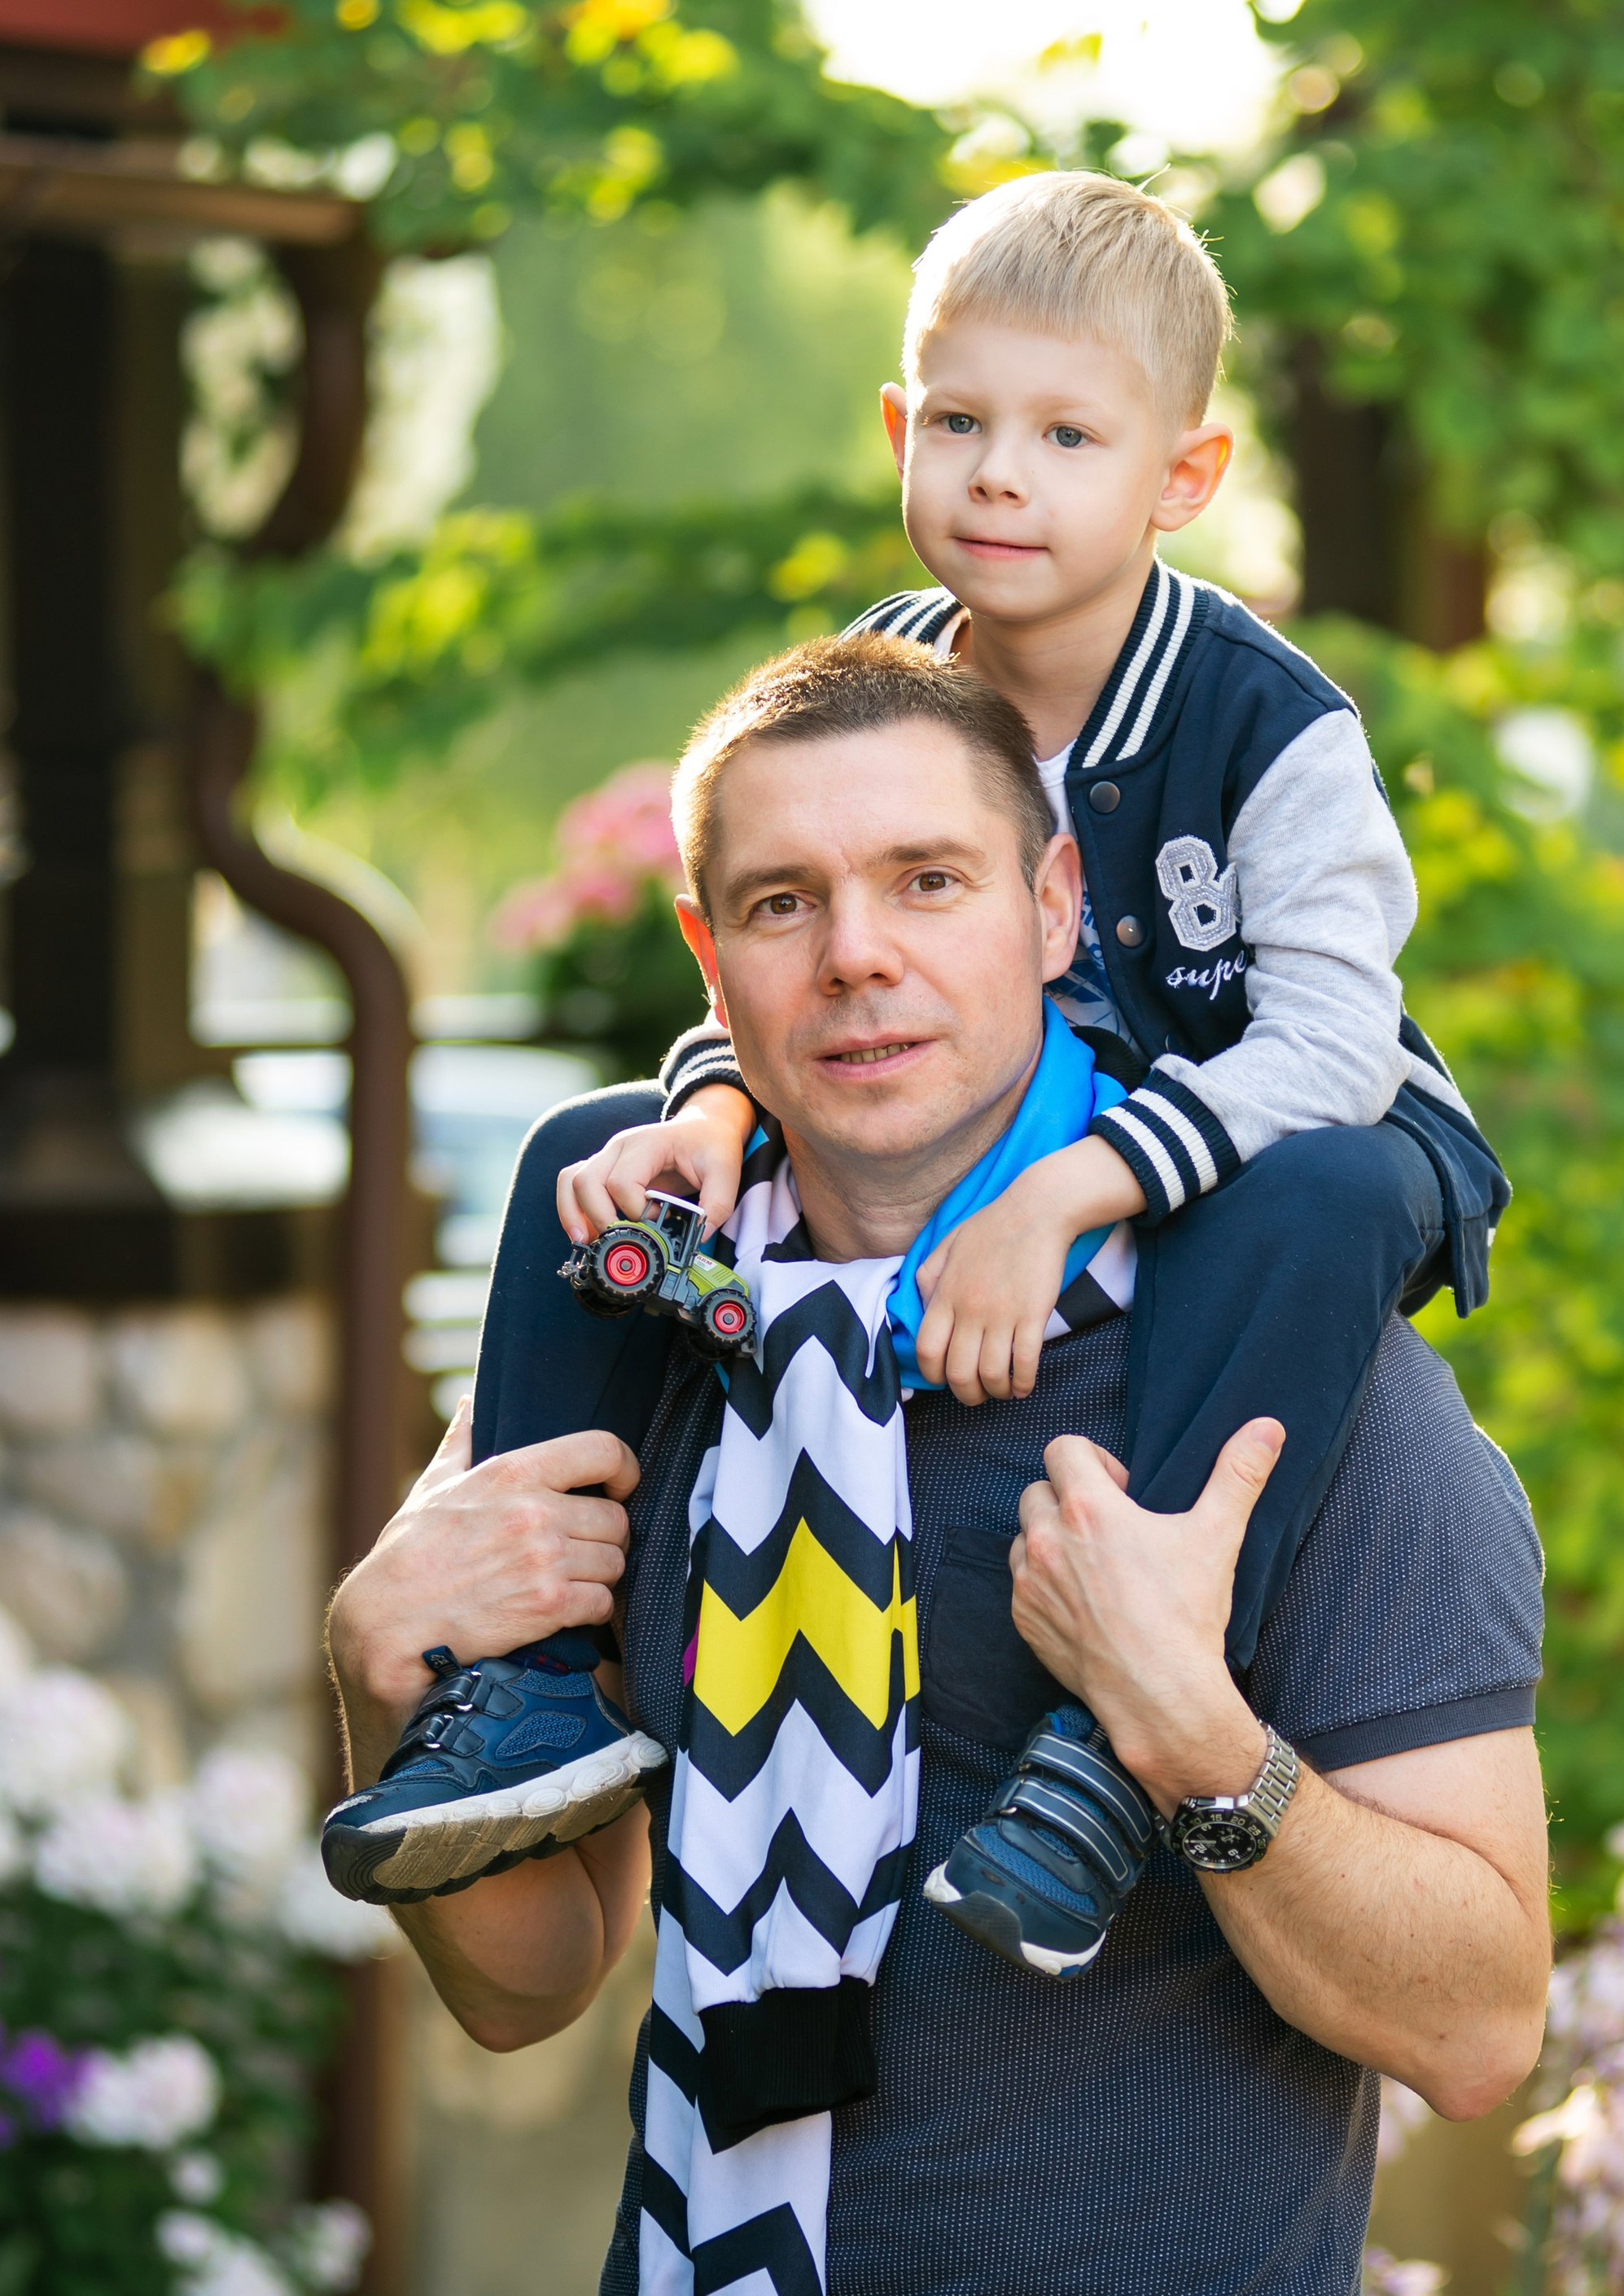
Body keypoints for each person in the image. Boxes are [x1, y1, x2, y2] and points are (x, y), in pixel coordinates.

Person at [325, 654, 1552, 2296]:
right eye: (785, 899)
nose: (862, 951)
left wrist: (1191, 1733)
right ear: (708, 954)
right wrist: (377, 1689)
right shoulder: (645, 1345)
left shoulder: (1313, 1399)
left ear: (1060, 904)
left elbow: (1476, 2021)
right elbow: (529, 1982)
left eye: (928, 876)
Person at [321, 171, 1511, 1956]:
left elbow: (1332, 1043)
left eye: (1062, 435)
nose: (998, 475)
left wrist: (1068, 1191)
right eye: (957, 422)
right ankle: (531, 1683)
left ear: (1182, 479)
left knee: (1324, 1193)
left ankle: (1122, 1736)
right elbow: (783, 937)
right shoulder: (882, 679)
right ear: (898, 427)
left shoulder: (1269, 725)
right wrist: (711, 1110)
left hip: (1301, 1133)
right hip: (1051, 1130)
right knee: (593, 1143)